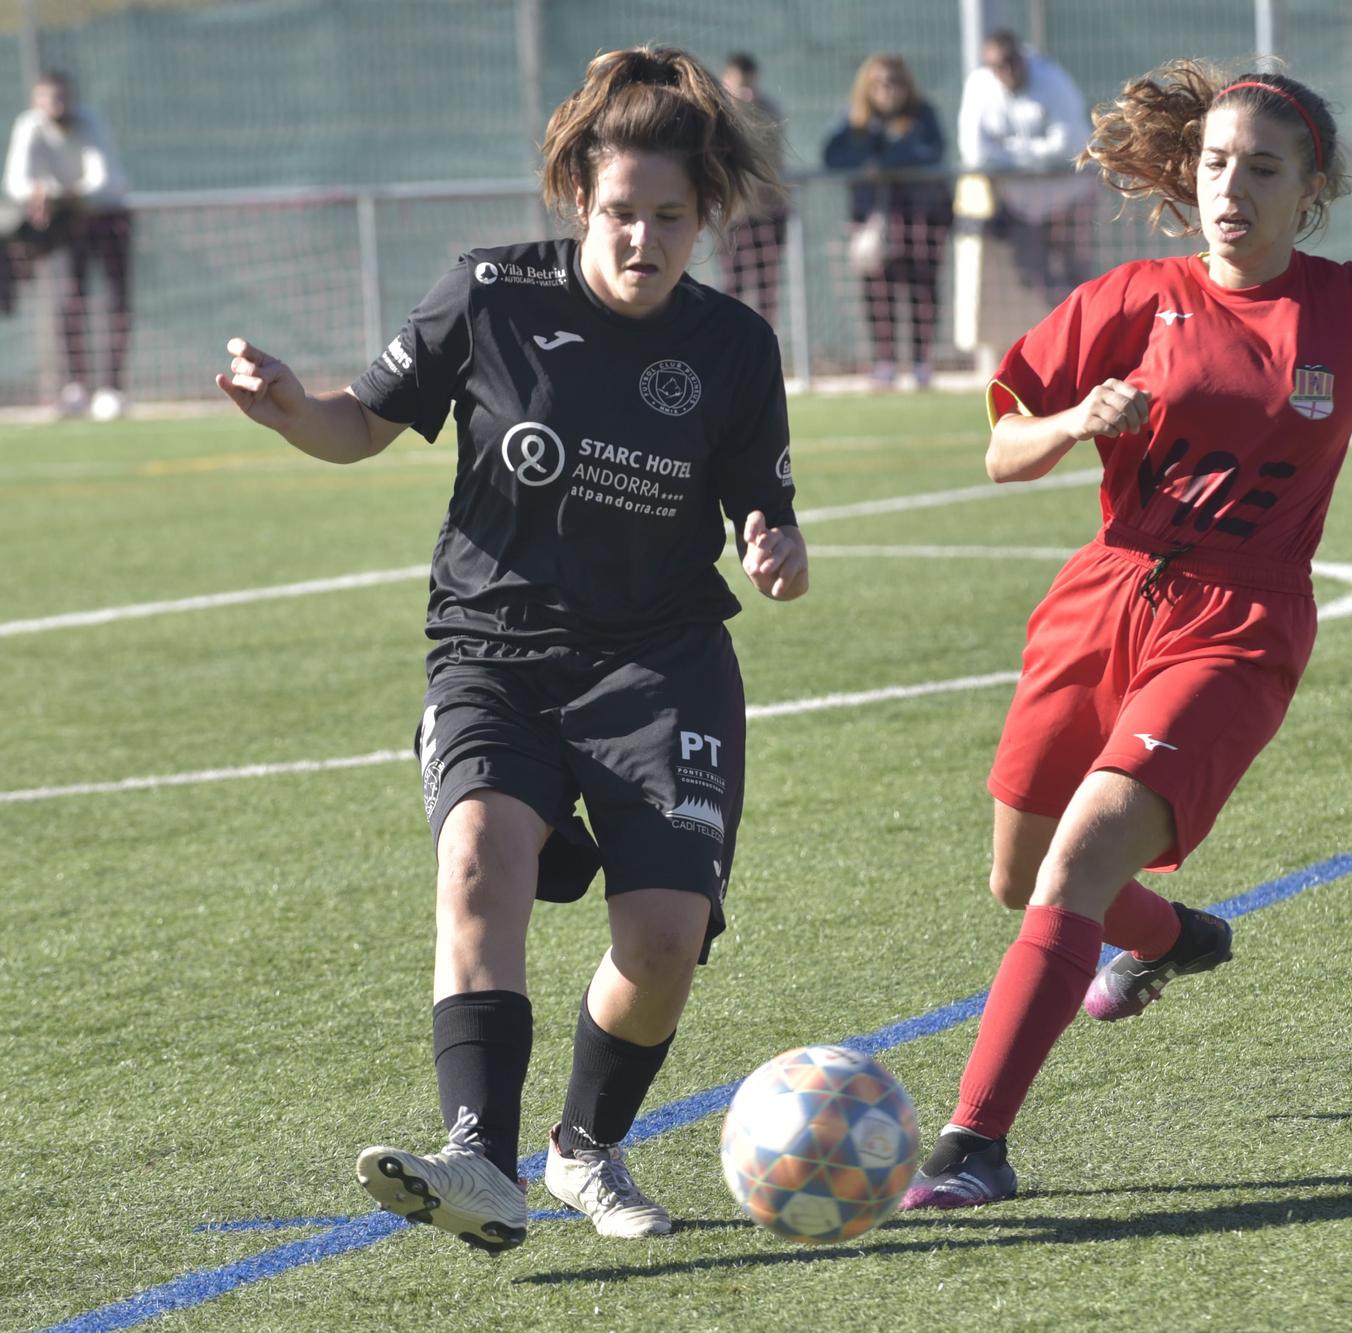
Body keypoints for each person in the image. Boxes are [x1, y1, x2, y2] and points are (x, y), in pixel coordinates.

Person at [216, 45, 808, 1252]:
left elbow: (764, 502)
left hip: (661, 663)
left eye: (669, 218)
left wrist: (774, 542)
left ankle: (584, 1149)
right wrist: (291, 410)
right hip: (492, 649)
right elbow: (359, 428)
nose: (642, 240)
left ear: (704, 217)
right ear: (577, 202)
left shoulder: (735, 347)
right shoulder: (488, 293)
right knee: (479, 855)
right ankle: (477, 1160)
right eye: (619, 214)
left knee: (661, 939)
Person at [899, 60, 1352, 1210]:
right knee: (1018, 880)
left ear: (1307, 191)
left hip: (1241, 618)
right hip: (1099, 598)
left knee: (1077, 859)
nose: (1232, 188)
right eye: (1215, 164)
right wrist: (1069, 420)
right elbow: (1001, 446)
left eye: (1262, 169)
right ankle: (1163, 941)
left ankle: (973, 1145)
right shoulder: (1130, 299)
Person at [3, 70, 133, 419]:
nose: (56, 105)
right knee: (71, 299)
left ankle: (111, 389)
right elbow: (15, 179)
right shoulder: (29, 126)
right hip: (68, 220)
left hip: (106, 214)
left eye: (61, 97)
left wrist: (60, 194)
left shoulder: (89, 122)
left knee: (116, 300)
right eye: (47, 98)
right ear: (36, 101)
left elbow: (101, 178)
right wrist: (37, 192)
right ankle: (76, 387)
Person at [821, 53, 952, 389]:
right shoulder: (854, 120)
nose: (887, 89)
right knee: (878, 291)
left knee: (922, 288)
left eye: (894, 82)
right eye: (879, 83)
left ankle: (921, 362)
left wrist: (887, 160)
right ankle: (885, 361)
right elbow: (833, 155)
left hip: (921, 216)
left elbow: (931, 151)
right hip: (872, 222)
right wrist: (869, 157)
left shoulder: (922, 116)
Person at [957, 30, 1096, 304]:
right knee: (1034, 274)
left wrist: (1008, 154)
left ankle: (1086, 336)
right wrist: (1031, 157)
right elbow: (974, 151)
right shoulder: (979, 87)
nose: (1007, 70)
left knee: (1079, 278)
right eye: (997, 65)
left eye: (1011, 60)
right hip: (1021, 206)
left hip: (1069, 198)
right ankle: (1065, 329)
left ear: (1021, 55)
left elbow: (1068, 144)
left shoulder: (1051, 80)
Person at [718, 53, 789, 327]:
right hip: (733, 216)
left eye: (751, 85)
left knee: (766, 285)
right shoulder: (717, 114)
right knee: (733, 284)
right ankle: (729, 344)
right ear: (727, 81)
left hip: (767, 213)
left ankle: (762, 343)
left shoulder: (768, 110)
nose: (747, 93)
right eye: (740, 85)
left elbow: (773, 160)